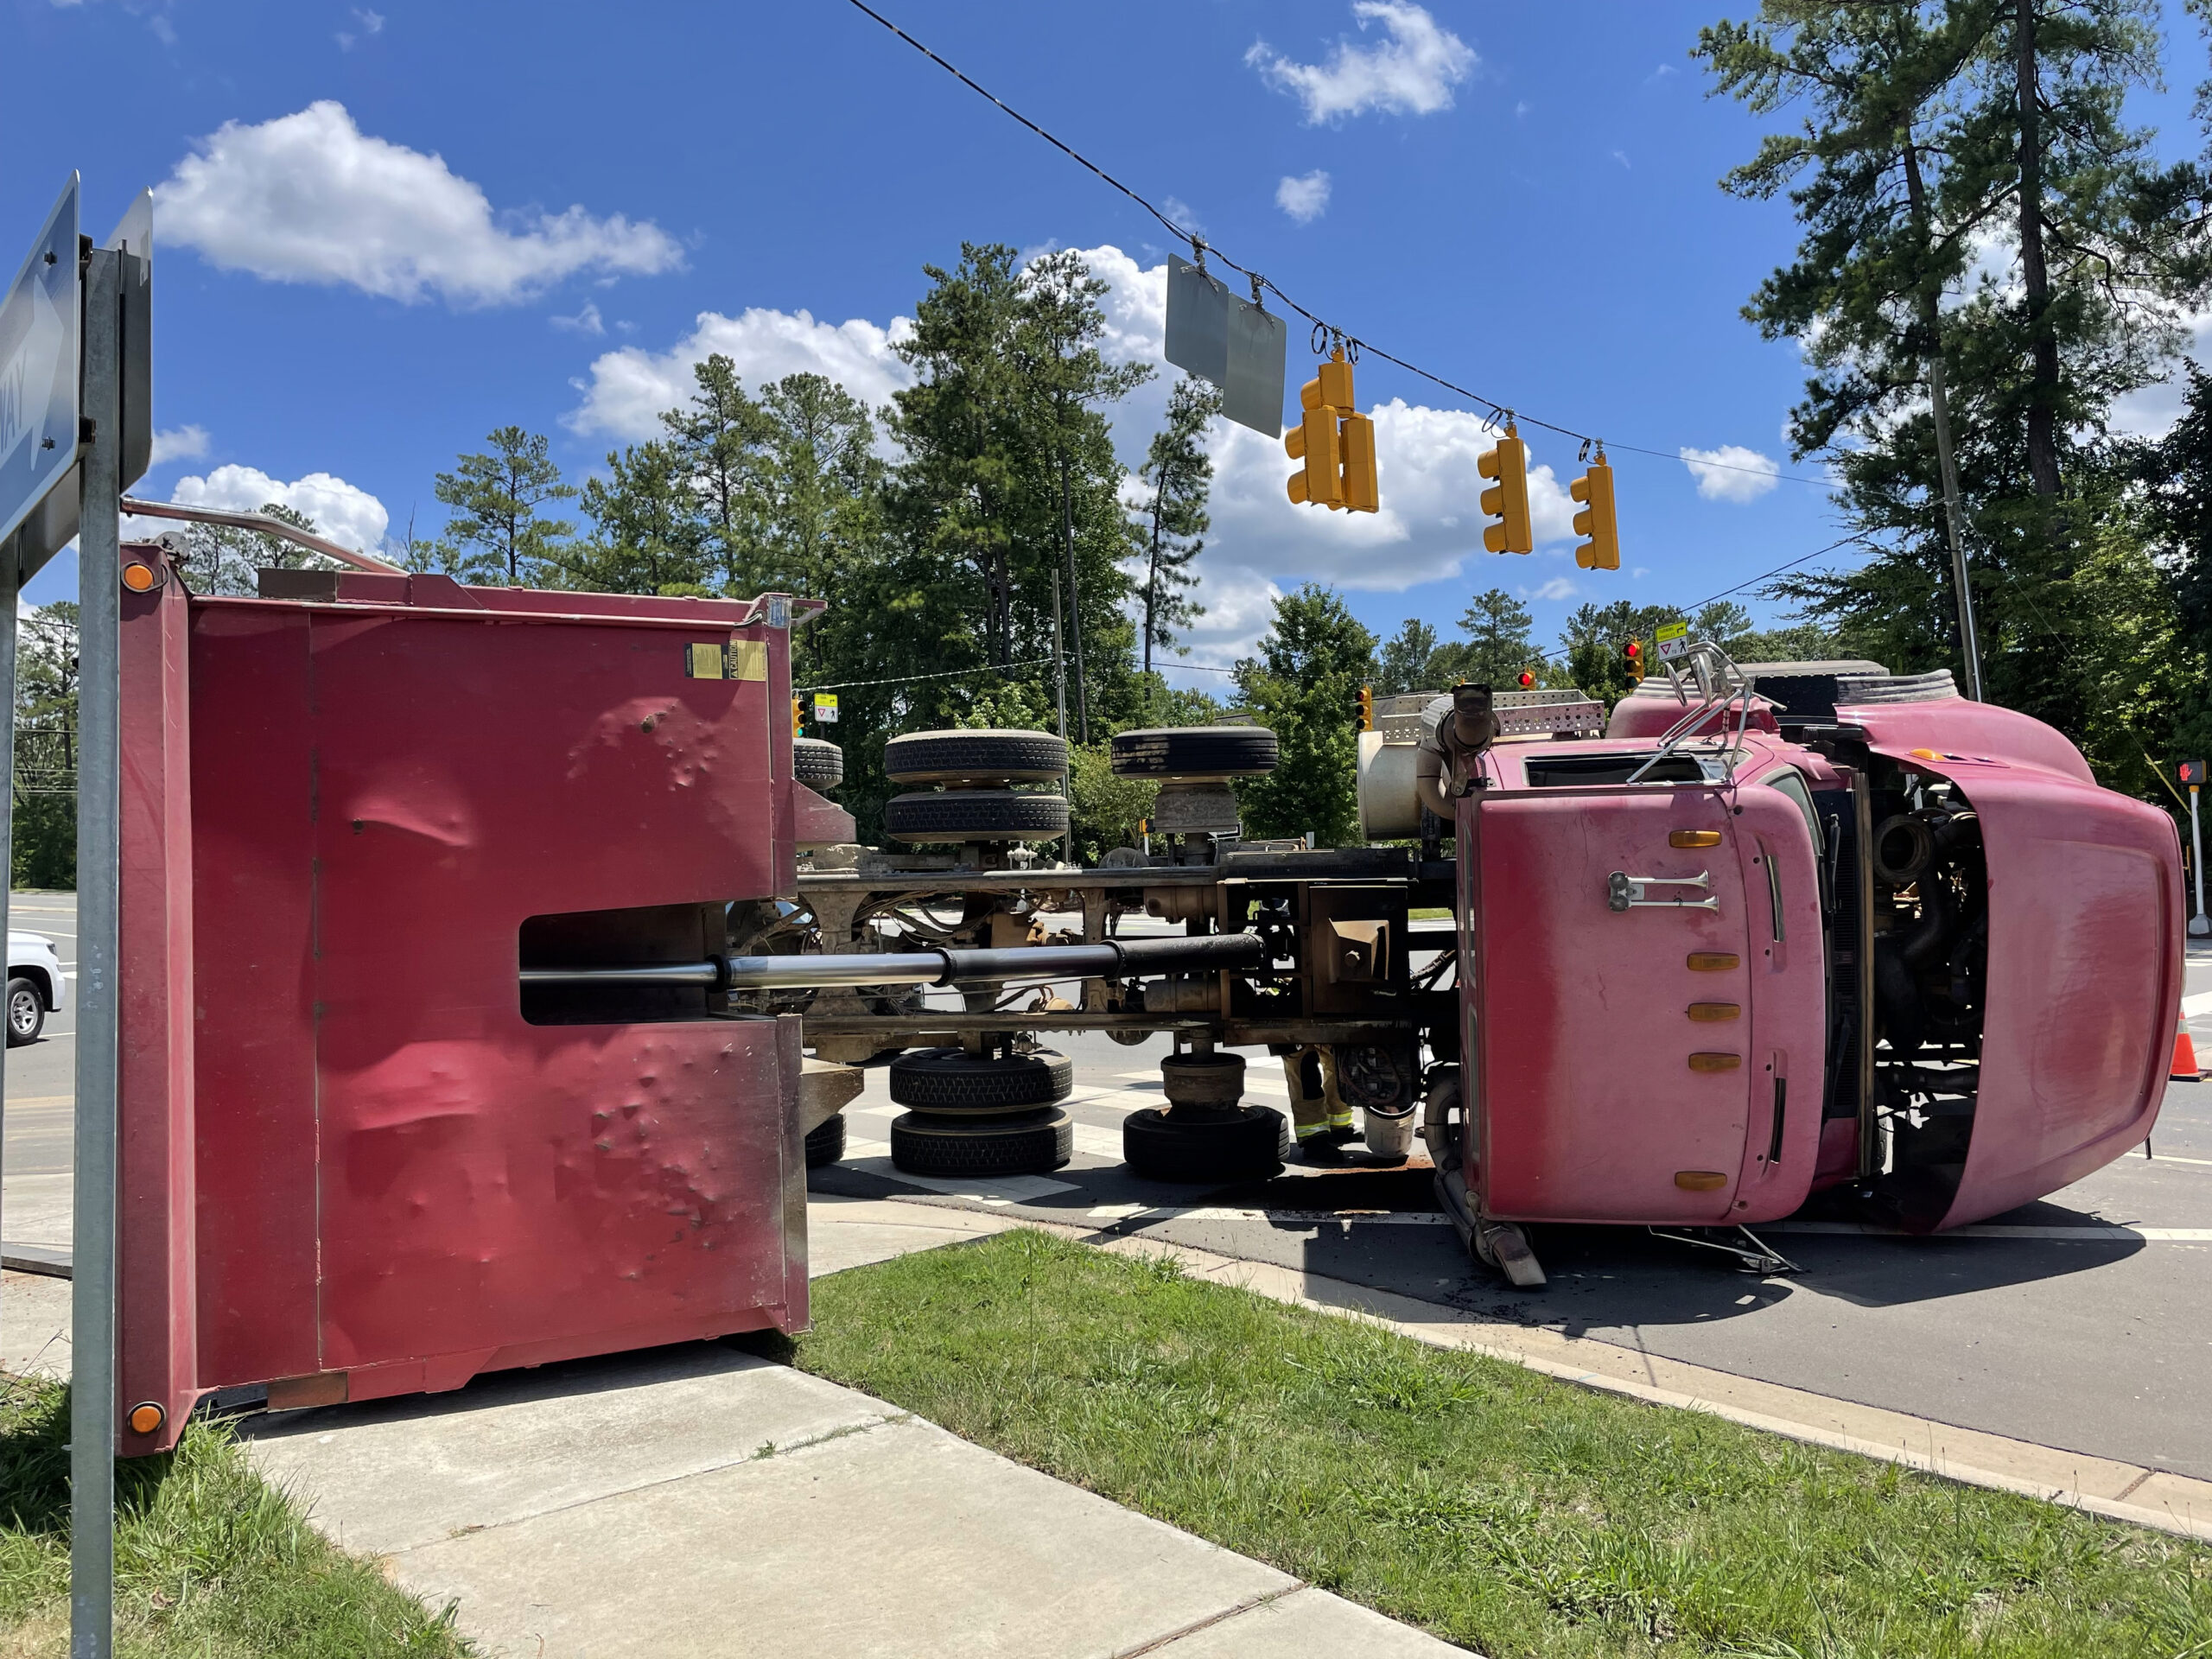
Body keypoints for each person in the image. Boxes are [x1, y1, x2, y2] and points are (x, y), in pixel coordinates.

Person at [1275, 1042, 1353, 1163]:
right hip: (1292, 1029)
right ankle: (1313, 1139)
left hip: (1323, 1025)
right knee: (1305, 1069)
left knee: (1338, 1059)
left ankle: (1339, 1127)